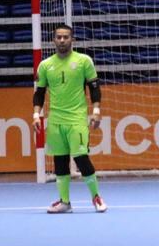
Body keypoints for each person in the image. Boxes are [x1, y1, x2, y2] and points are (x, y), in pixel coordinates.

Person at [33, 24, 107, 213]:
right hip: (56, 120)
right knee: (60, 161)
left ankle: (96, 197)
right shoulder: (45, 65)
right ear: (53, 40)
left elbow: (94, 87)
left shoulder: (84, 61)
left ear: (72, 39)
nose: (62, 40)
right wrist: (36, 115)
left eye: (66, 37)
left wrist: (96, 111)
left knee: (81, 158)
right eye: (59, 37)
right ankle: (64, 202)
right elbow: (39, 93)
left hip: (77, 119)